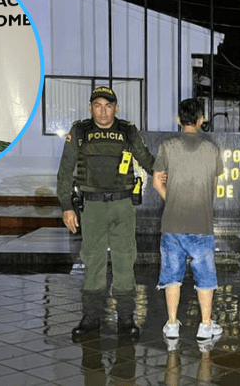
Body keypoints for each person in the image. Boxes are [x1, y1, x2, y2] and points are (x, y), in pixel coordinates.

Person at [56, 86, 155, 339]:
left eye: (108, 105)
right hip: (93, 207)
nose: (103, 110)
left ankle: (125, 319)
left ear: (116, 108)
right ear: (91, 108)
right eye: (98, 105)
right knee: (93, 262)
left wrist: (172, 171)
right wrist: (67, 207)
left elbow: (148, 161)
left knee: (125, 261)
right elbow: (65, 171)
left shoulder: (128, 132)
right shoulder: (79, 132)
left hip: (122, 206)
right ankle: (91, 318)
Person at [152, 99, 223, 344]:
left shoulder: (167, 146)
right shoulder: (211, 150)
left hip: (172, 222)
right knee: (205, 276)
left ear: (179, 120)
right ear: (201, 120)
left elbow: (157, 181)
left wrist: (172, 199)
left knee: (171, 274)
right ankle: (205, 325)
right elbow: (214, 187)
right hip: (201, 223)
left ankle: (172, 324)